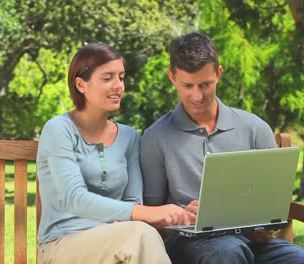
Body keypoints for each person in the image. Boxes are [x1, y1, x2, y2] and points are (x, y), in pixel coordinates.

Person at [140, 32, 304, 264]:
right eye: (187, 85)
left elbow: (272, 206)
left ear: (219, 73)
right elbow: (151, 214)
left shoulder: (255, 128)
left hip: (254, 242)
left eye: (205, 84)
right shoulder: (155, 137)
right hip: (190, 245)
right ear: (172, 77)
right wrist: (181, 216)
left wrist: (263, 225)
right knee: (227, 251)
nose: (197, 95)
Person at [36, 42, 194, 264]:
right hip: (61, 244)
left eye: (121, 77)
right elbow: (75, 199)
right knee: (140, 233)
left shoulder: (129, 137)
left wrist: (168, 214)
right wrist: (149, 213)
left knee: (138, 234)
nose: (118, 85)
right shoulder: (59, 129)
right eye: (107, 78)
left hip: (117, 242)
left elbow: (132, 200)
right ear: (81, 85)